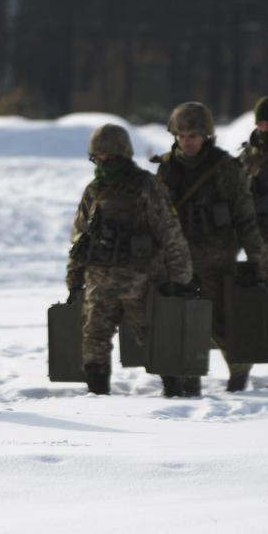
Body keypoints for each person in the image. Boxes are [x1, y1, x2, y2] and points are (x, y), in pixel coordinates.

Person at [66, 124, 192, 396]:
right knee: (93, 340)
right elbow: (80, 238)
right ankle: (98, 397)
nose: (103, 162)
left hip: (142, 280)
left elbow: (170, 232)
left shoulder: (147, 186)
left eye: (109, 157)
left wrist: (180, 278)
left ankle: (176, 396)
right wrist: (74, 279)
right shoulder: (94, 190)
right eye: (98, 157)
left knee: (156, 340)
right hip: (100, 283)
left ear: (122, 155)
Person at [155, 102, 262, 393]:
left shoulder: (226, 169)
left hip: (217, 257)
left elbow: (245, 216)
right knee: (182, 320)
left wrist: (255, 260)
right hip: (178, 258)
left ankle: (239, 372)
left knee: (219, 321)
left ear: (206, 136)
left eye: (193, 135)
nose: (186, 141)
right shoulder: (165, 169)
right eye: (181, 135)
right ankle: (189, 378)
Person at [238, 95, 268, 388]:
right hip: (260, 238)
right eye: (261, 121)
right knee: (264, 300)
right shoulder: (249, 153)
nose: (266, 126)